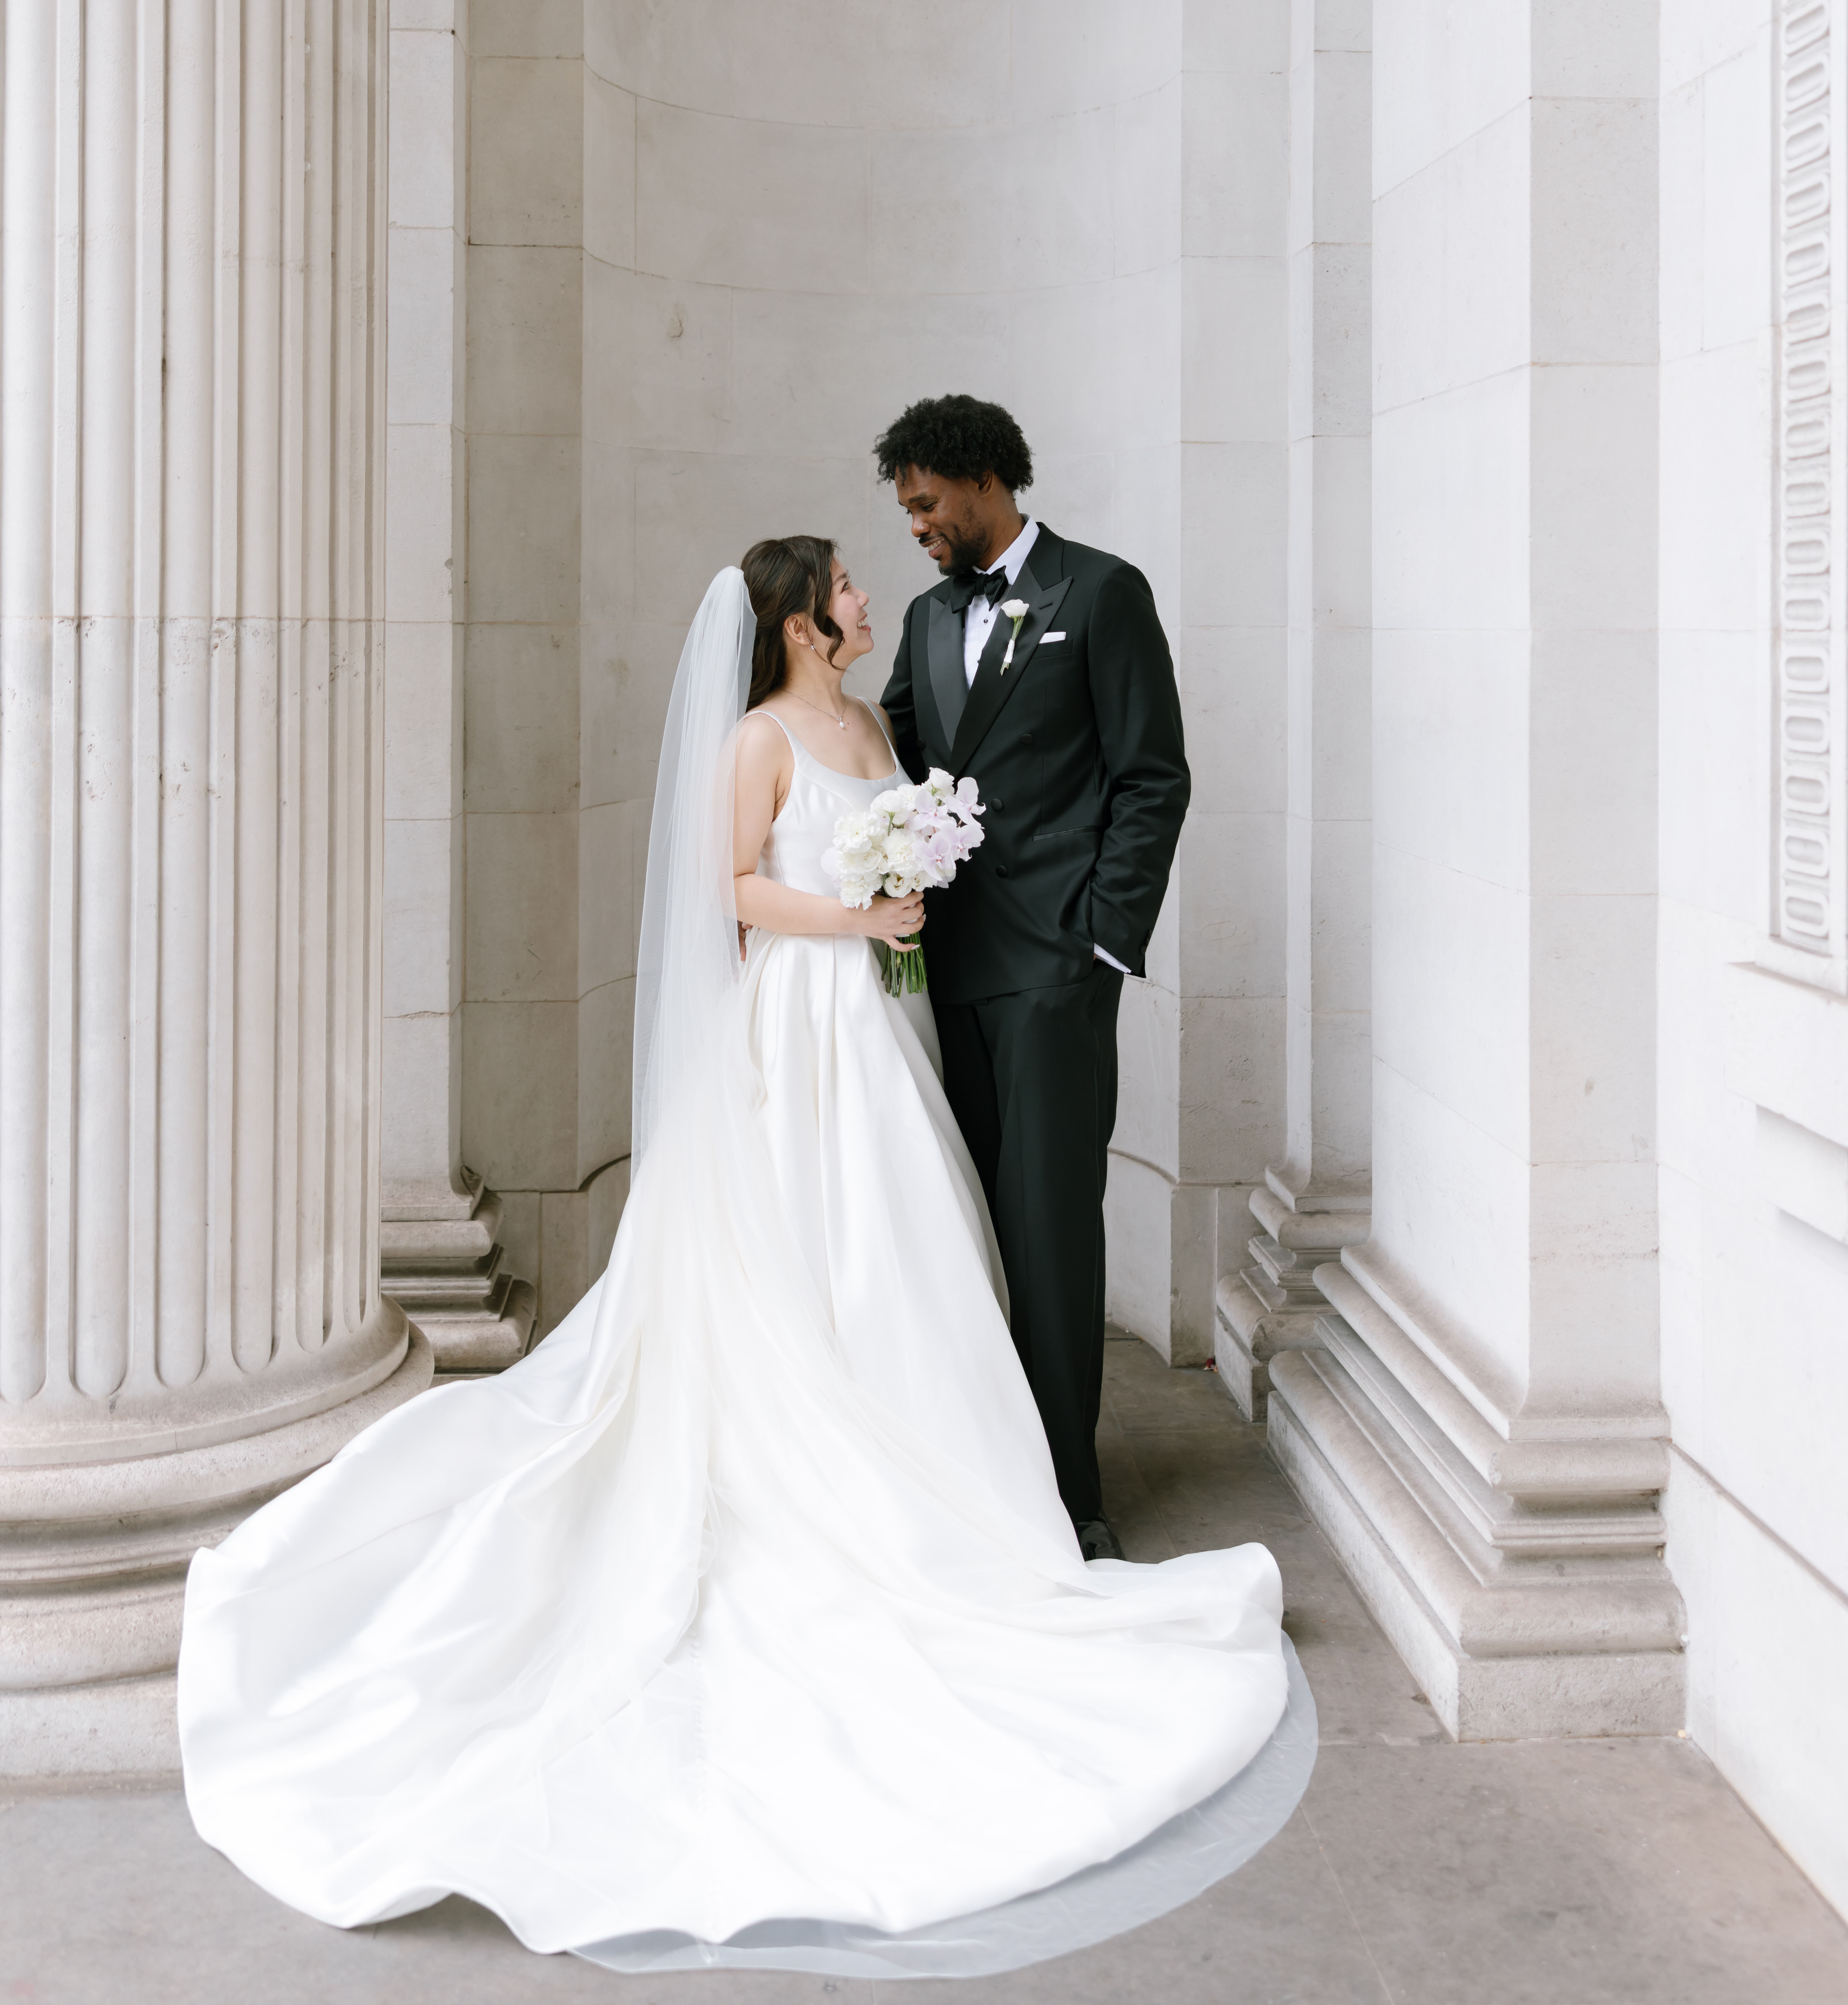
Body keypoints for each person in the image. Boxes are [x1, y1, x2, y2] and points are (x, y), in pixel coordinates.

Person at [176, 538, 1286, 1965]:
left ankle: (969, 1485)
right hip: (804, 1022)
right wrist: (859, 911)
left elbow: (913, 827)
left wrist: (914, 891)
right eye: (845, 585)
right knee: (822, 1253)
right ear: (799, 620)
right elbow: (735, 892)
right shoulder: (758, 736)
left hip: (887, 1025)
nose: (870, 595)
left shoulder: (873, 719)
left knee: (915, 1249)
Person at [878, 396, 1189, 1558]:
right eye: (906, 508)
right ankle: (978, 1476)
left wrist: (1106, 937)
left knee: (1050, 1229)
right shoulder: (919, 616)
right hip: (939, 965)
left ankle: (1068, 1498)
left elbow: (1152, 775)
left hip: (1058, 969)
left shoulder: (1101, 592)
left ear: (977, 480)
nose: (914, 525)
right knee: (962, 1229)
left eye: (922, 501)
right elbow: (899, 764)